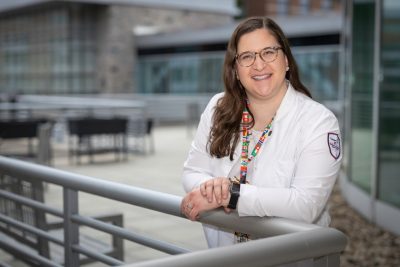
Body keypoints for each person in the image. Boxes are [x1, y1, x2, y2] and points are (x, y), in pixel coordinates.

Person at [181, 16, 342, 249]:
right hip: (226, 257)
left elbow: (306, 205)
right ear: (235, 69)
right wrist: (214, 188)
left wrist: (233, 196)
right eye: (247, 56)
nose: (258, 65)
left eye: (269, 52)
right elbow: (192, 172)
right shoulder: (218, 108)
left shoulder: (318, 122)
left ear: (286, 60)